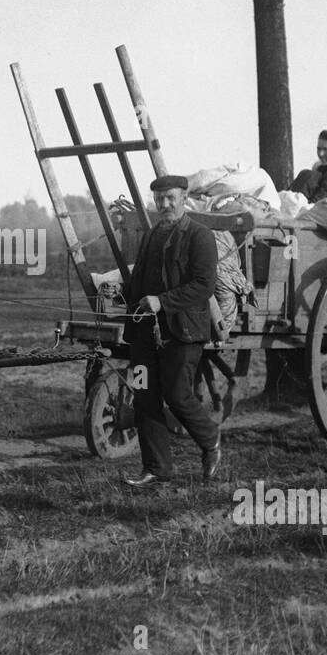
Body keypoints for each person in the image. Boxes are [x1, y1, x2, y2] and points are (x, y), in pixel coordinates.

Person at [122, 174, 223, 488]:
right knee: (143, 394)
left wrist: (162, 301)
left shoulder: (200, 236)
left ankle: (210, 442)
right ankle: (157, 469)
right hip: (145, 333)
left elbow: (204, 285)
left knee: (178, 395)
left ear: (184, 198)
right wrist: (123, 295)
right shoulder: (152, 236)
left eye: (171, 198)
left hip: (184, 331)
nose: (164, 204)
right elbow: (139, 280)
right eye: (159, 199)